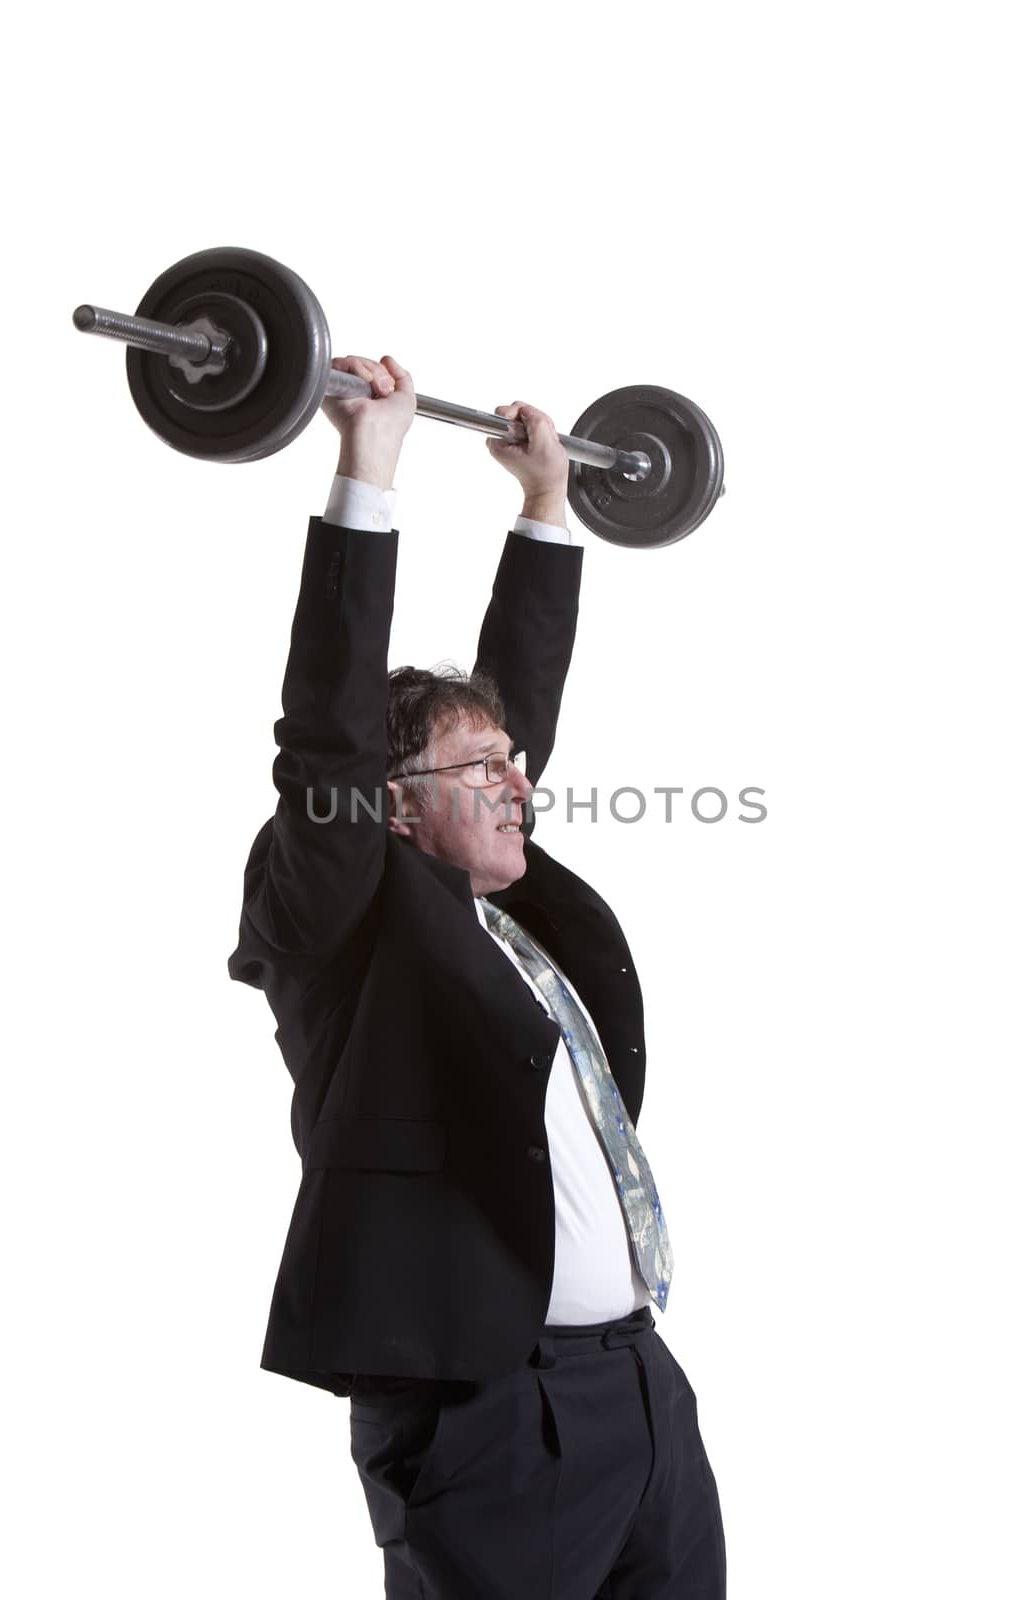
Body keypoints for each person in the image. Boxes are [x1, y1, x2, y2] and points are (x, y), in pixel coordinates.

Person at [228, 353, 727, 1598]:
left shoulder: (508, 910)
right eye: (482, 769)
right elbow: (327, 739)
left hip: (639, 1392)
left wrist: (546, 503)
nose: (520, 784)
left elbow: (517, 718)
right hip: (492, 1418)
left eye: (517, 763)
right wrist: (369, 468)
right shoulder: (347, 921)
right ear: (387, 811)